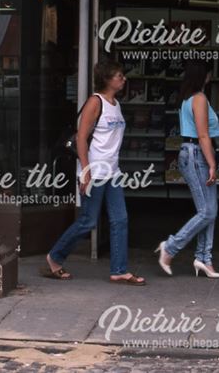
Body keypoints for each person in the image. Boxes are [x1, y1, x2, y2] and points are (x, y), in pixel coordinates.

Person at [42, 60, 146, 285]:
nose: (124, 79)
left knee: (120, 219)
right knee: (88, 221)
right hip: (95, 171)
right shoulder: (95, 102)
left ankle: (119, 270)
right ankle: (55, 257)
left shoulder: (115, 104)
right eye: (119, 75)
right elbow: (81, 137)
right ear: (107, 79)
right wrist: (85, 170)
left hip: (112, 172)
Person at [156, 61, 219, 278]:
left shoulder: (188, 98)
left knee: (210, 210)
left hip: (193, 153)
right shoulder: (199, 99)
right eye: (209, 74)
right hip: (197, 154)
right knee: (206, 211)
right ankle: (170, 247)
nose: (211, 77)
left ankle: (204, 259)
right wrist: (212, 163)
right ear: (204, 76)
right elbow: (203, 134)